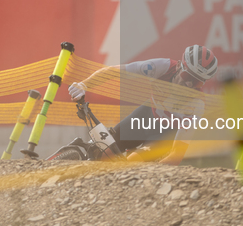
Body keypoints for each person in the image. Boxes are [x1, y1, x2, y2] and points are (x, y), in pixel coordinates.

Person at [68, 45, 218, 165]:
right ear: (180, 66)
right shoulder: (161, 67)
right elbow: (114, 72)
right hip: (146, 115)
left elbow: (176, 156)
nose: (189, 84)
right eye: (188, 76)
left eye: (197, 82)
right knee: (102, 149)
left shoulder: (196, 105)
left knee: (130, 163)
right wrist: (84, 84)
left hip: (165, 134)